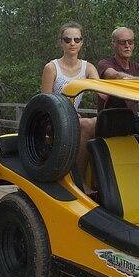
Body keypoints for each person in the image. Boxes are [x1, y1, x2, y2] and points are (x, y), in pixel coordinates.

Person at [40, 21, 98, 177]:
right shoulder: (51, 68)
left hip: (73, 119)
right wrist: (68, 115)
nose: (72, 43)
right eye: (67, 40)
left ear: (81, 43)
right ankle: (78, 180)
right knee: (86, 124)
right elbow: (44, 103)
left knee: (100, 123)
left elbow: (102, 91)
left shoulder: (88, 67)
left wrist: (134, 80)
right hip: (52, 120)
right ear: (61, 42)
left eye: (77, 39)